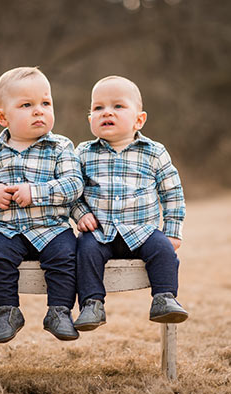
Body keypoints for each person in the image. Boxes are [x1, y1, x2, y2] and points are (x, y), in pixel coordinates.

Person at [0, 67, 83, 343]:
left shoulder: (61, 147)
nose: (38, 111)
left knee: (66, 256)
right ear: (2, 116)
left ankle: (59, 312)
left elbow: (74, 185)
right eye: (26, 105)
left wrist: (36, 192)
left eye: (45, 103)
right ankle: (7, 312)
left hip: (52, 228)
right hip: (7, 230)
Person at [71, 75, 188, 331]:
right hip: (99, 232)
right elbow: (71, 191)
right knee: (85, 252)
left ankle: (164, 299)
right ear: (90, 118)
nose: (106, 113)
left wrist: (172, 231)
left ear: (139, 119)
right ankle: (92, 305)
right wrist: (80, 214)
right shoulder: (82, 153)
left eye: (118, 106)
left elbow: (172, 193)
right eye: (98, 108)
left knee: (164, 250)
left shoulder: (154, 152)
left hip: (143, 230)